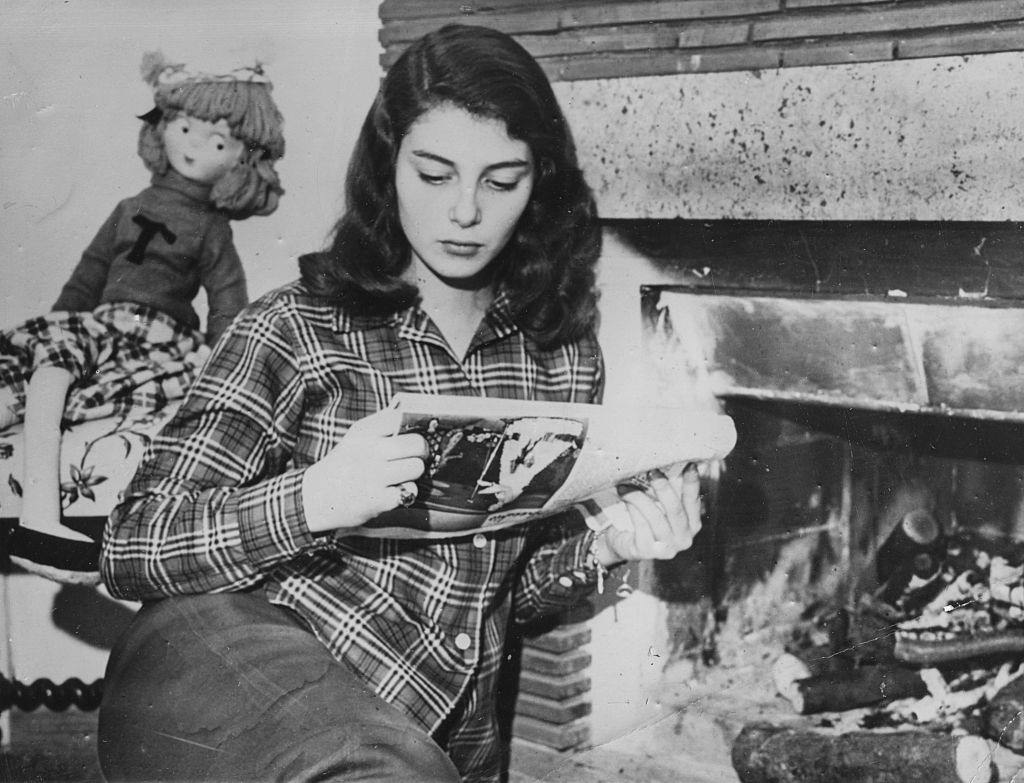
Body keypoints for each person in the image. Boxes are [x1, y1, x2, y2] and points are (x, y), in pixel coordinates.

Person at [97, 24, 701, 783]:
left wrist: (609, 542)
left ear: (539, 183)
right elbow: (130, 547)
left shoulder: (560, 356)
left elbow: (504, 586)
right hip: (267, 718)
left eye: (502, 180)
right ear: (388, 170)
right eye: (435, 174)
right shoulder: (297, 325)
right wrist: (315, 496)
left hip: (448, 750)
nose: (465, 213)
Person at [1, 51, 285, 583]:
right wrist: (63, 326)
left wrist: (224, 366)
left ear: (242, 159)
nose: (197, 146)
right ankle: (38, 517)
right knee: (44, 370)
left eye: (219, 141)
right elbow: (87, 276)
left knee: (74, 389)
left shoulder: (210, 229)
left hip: (156, 339)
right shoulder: (130, 206)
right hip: (99, 324)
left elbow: (227, 301)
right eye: (185, 127)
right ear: (163, 126)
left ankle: (41, 520)